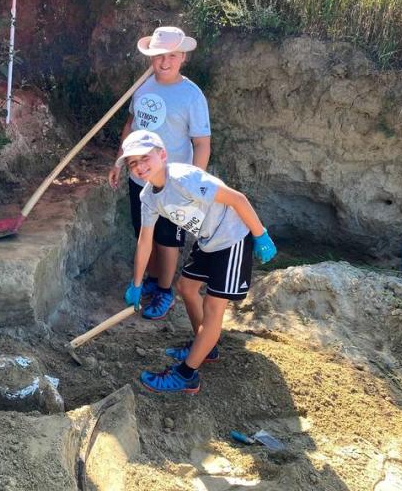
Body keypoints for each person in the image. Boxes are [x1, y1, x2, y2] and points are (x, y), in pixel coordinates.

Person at [116, 129, 277, 394]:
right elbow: (145, 241)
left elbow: (237, 198)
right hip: (208, 241)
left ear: (162, 155)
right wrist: (136, 284)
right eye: (133, 163)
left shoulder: (184, 179)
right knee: (186, 288)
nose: (140, 166)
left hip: (232, 238)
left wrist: (260, 235)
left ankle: (187, 375)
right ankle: (205, 347)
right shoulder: (148, 197)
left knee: (213, 307)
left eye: (145, 158)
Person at [107, 26, 211, 321]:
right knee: (144, 232)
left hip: (173, 183)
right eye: (158, 56)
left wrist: (193, 183)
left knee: (169, 240)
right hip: (139, 176)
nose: (164, 63)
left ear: (183, 57)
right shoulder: (142, 86)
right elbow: (130, 125)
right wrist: (119, 161)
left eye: (172, 56)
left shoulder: (191, 96)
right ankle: (150, 280)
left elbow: (202, 143)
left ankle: (165, 290)